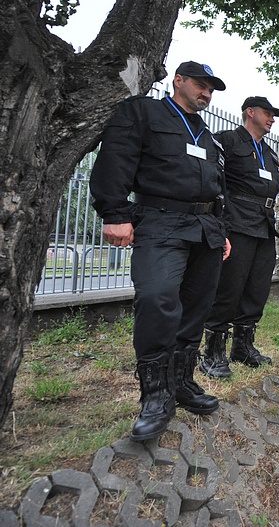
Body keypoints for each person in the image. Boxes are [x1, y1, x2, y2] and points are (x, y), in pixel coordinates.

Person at [90, 61, 230, 442]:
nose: (206, 93)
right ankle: (155, 395)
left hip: (205, 229)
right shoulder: (143, 112)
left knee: (196, 306)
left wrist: (222, 228)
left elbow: (219, 186)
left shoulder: (208, 135)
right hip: (159, 220)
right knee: (157, 299)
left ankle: (182, 383)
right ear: (178, 81)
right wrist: (114, 212)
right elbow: (115, 160)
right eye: (200, 85)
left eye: (211, 89)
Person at [199, 96, 279, 380]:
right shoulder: (228, 141)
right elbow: (216, 182)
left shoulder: (270, 153)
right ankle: (213, 351)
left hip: (263, 225)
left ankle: (243, 346)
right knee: (229, 287)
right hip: (237, 223)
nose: (272, 118)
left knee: (257, 288)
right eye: (267, 112)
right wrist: (220, 224)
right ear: (250, 112)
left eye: (274, 114)